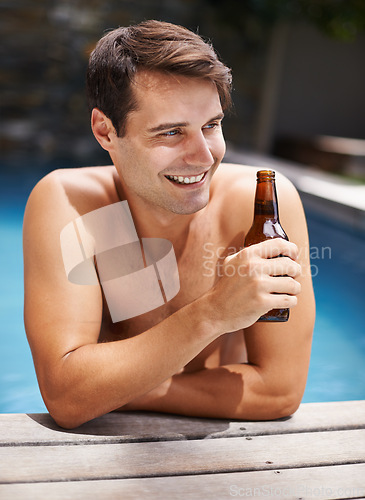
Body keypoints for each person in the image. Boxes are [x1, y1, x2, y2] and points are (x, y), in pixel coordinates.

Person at [23, 20, 315, 429]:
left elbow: (279, 391)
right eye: (171, 132)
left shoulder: (259, 204)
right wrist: (213, 313)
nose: (203, 155)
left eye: (211, 125)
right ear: (105, 131)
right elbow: (67, 396)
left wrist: (119, 389)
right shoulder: (73, 205)